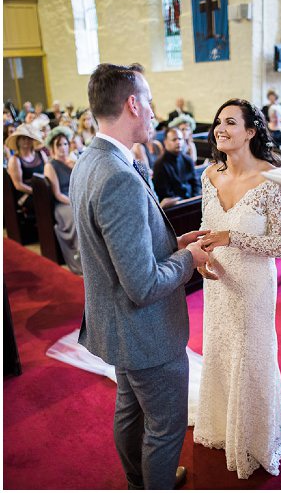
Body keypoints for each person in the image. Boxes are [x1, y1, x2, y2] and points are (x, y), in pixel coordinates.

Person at [69, 63, 209, 489]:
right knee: (165, 427)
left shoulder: (90, 160)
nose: (153, 110)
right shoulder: (117, 177)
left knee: (129, 410)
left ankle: (138, 481)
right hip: (145, 333)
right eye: (148, 100)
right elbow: (143, 284)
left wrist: (176, 243)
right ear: (132, 103)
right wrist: (191, 259)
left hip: (117, 327)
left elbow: (119, 251)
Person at [192, 98, 281, 479]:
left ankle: (253, 434)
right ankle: (221, 423)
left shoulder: (276, 180)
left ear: (251, 132)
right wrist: (202, 258)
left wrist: (230, 237)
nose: (220, 129)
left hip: (252, 285)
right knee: (220, 349)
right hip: (217, 281)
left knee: (252, 353)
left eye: (231, 122)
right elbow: (206, 227)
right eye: (218, 122)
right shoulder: (210, 174)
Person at [43, 126, 82, 274]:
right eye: (59, 144)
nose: (63, 148)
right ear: (53, 147)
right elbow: (58, 194)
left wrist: (75, 165)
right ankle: (80, 257)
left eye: (65, 144)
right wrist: (74, 202)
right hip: (62, 204)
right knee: (77, 214)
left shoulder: (72, 161)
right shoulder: (50, 165)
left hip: (75, 197)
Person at [5, 123, 48, 218]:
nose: (26, 141)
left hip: (43, 188)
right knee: (44, 202)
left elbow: (48, 173)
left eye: (29, 138)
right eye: (23, 138)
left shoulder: (40, 154)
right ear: (18, 141)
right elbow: (18, 185)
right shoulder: (15, 160)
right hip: (26, 194)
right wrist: (36, 192)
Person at [151, 127, 201, 202]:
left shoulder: (188, 160)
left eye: (180, 139)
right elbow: (164, 194)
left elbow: (196, 184)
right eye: (174, 139)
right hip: (176, 207)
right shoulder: (159, 165)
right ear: (165, 142)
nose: (178, 142)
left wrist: (194, 198)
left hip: (192, 201)